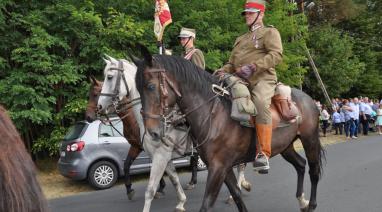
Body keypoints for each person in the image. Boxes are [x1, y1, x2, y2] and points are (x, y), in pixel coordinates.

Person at [216, 0, 283, 172]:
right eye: (246, 13)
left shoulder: (270, 32)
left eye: (251, 13)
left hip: (263, 78)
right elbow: (231, 63)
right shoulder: (241, 38)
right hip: (240, 80)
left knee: (260, 101)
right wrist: (221, 71)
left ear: (261, 14)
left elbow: (276, 55)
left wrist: (254, 66)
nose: (247, 16)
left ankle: (263, 154)